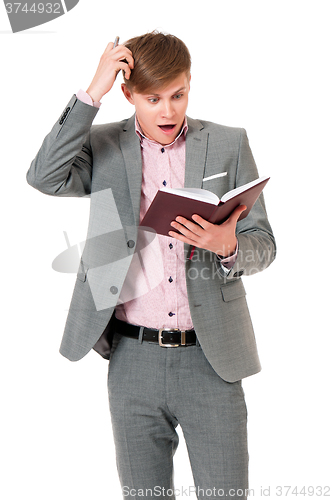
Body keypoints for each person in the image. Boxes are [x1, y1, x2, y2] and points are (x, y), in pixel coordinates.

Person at [27, 31, 276, 500]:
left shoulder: (227, 143)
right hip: (131, 358)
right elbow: (43, 176)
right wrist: (91, 92)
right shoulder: (101, 144)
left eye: (178, 94)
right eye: (153, 97)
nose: (168, 110)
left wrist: (228, 246)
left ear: (189, 86)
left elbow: (263, 242)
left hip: (212, 357)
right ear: (129, 93)